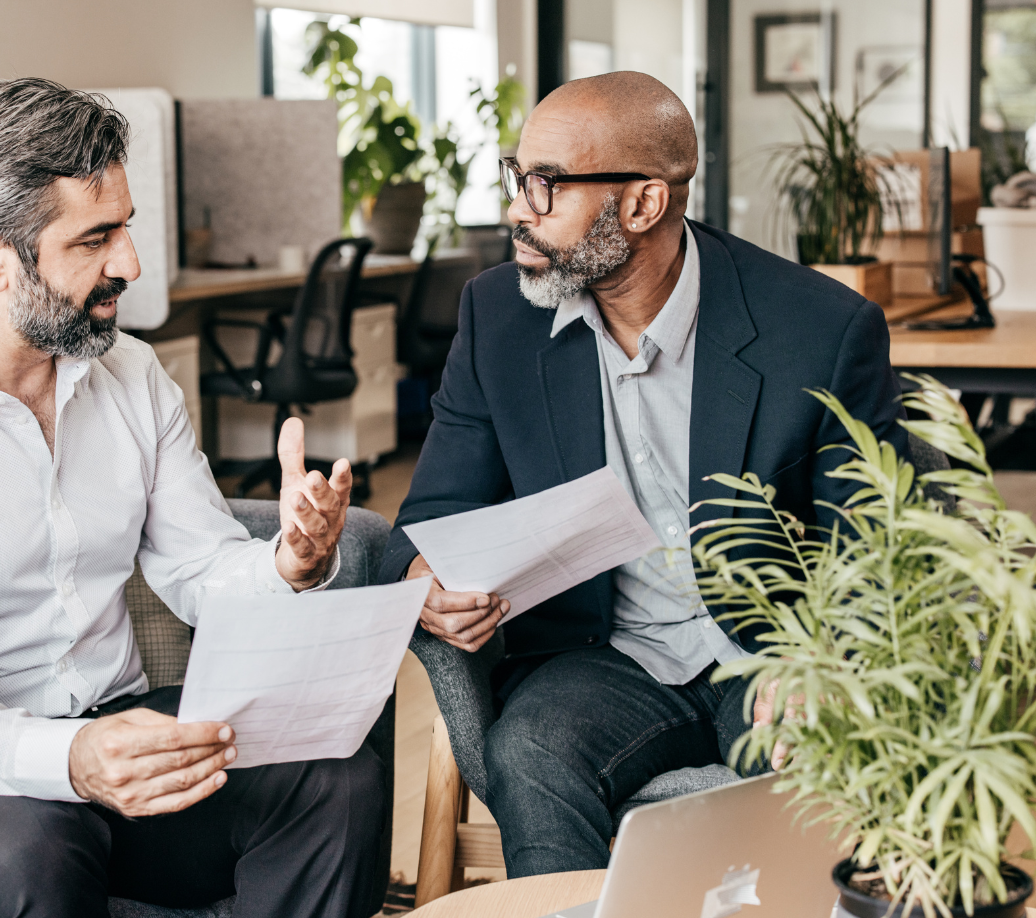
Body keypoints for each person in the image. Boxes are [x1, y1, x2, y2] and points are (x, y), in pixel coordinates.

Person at [0, 78, 383, 918]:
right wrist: (71, 759)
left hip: (113, 719)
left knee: (334, 776)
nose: (132, 265)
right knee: (32, 843)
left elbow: (197, 568)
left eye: (126, 226)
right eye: (95, 239)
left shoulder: (131, 377)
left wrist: (288, 564)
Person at [379, 71, 907, 876]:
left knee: (817, 762)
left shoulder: (821, 329)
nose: (518, 209)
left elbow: (878, 551)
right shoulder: (497, 317)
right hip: (605, 653)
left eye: (546, 186)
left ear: (644, 205)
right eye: (517, 178)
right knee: (528, 750)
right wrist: (429, 578)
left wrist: (823, 664)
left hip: (773, 653)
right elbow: (431, 514)